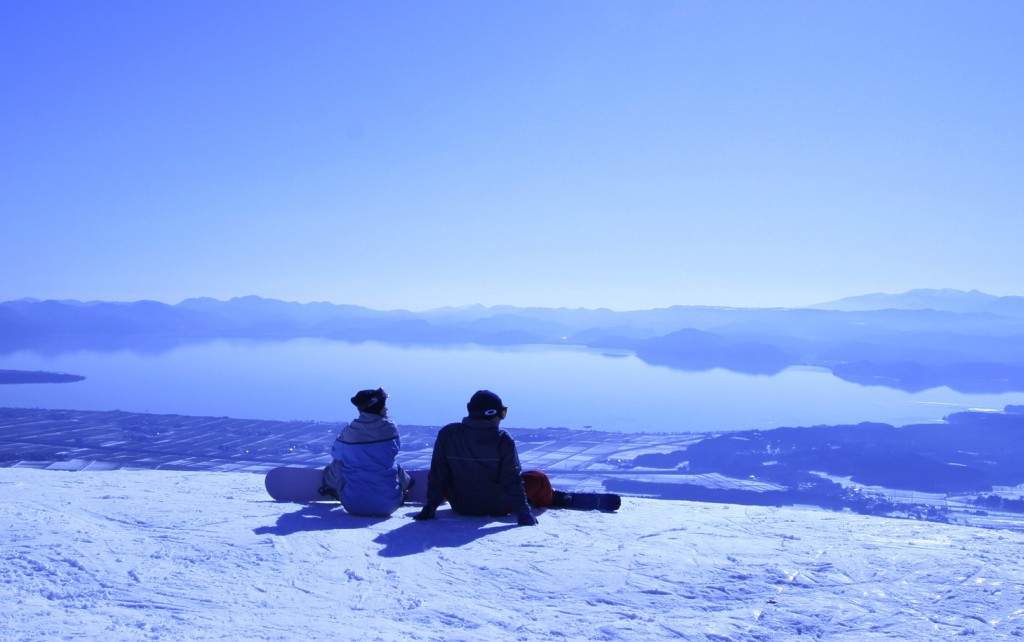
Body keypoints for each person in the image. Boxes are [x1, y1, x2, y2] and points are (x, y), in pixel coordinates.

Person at [414, 390, 561, 526]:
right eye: (502, 413)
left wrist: (431, 506)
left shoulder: (448, 434)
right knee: (538, 478)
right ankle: (550, 498)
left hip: (461, 505)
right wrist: (523, 513)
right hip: (499, 507)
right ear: (491, 413)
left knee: (439, 474)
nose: (502, 419)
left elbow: (438, 474)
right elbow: (512, 479)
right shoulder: (503, 439)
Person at [321, 387, 410, 517]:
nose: (386, 409)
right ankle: (406, 484)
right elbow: (394, 449)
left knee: (338, 463)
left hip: (353, 506)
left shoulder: (349, 432)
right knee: (391, 462)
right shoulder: (390, 428)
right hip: (390, 505)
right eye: (384, 405)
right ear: (378, 408)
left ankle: (330, 487)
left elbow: (336, 454)